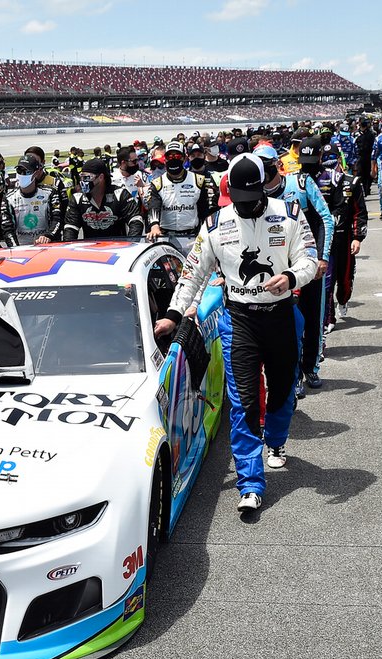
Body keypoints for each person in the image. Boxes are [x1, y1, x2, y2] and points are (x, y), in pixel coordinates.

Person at [153, 155, 317, 512]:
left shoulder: (288, 214)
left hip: (281, 316)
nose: (245, 206)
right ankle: (250, 482)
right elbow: (193, 273)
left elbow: (309, 259)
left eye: (251, 198)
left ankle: (275, 439)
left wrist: (291, 277)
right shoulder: (214, 224)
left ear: (264, 187)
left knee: (284, 390)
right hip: (239, 319)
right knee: (244, 402)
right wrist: (172, 314)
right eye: (238, 200)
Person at [261, 140, 333, 392]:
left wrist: (322, 257)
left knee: (313, 317)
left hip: (309, 264)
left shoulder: (300, 183)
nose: (263, 170)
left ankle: (311, 368)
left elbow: (326, 218)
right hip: (279, 268)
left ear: (277, 165)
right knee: (288, 324)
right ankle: (293, 376)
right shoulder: (254, 194)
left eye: (267, 164)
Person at [315, 144, 368, 322]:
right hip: (324, 240)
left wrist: (357, 238)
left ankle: (343, 301)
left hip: (345, 238)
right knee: (327, 281)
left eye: (332, 159)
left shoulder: (352, 182)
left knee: (345, 280)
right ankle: (329, 318)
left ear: (339, 160)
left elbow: (359, 212)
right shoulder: (315, 182)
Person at [146, 141, 218, 247]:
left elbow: (205, 210)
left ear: (184, 159)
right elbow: (153, 206)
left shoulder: (198, 180)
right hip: (165, 236)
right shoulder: (157, 183)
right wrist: (154, 226)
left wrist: (207, 232)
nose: (173, 159)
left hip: (192, 235)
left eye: (177, 156)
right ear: (165, 159)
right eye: (170, 156)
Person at [63, 158, 145, 239]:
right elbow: (70, 228)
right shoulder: (77, 198)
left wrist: (131, 243)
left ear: (101, 177)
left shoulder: (120, 194)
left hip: (118, 248)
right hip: (90, 249)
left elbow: (136, 220)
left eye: (87, 178)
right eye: (81, 177)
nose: (83, 181)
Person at [0, 154, 61, 246]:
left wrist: (49, 236)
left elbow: (57, 219)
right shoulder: (8, 199)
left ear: (36, 173)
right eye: (19, 171)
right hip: (21, 248)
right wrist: (16, 248)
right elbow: (7, 229)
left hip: (46, 245)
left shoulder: (49, 193)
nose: (22, 174)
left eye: (26, 171)